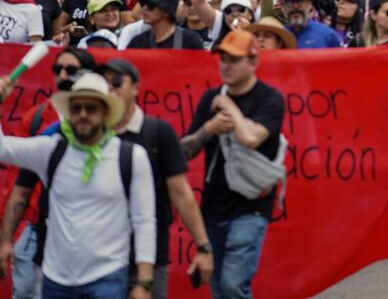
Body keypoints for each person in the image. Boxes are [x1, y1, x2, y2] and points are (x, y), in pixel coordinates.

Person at [0, 71, 156, 299]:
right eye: (76, 108)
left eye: (91, 108)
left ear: (105, 113)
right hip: (55, 281)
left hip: (107, 278)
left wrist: (144, 282)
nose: (83, 114)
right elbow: (3, 149)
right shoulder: (51, 150)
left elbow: (144, 221)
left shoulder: (132, 157)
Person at [181, 29, 285, 299]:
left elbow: (251, 138)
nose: (226, 65)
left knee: (233, 285)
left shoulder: (269, 99)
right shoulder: (209, 99)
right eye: (222, 58)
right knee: (218, 288)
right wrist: (210, 128)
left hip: (251, 209)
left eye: (234, 59)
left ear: (254, 63)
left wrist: (228, 105)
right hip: (213, 207)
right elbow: (184, 152)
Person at [103, 58, 215, 295]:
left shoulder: (158, 133)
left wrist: (203, 247)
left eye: (116, 81)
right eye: (103, 83)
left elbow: (181, 194)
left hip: (146, 259)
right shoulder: (89, 133)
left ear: (135, 87)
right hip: (97, 260)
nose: (109, 88)